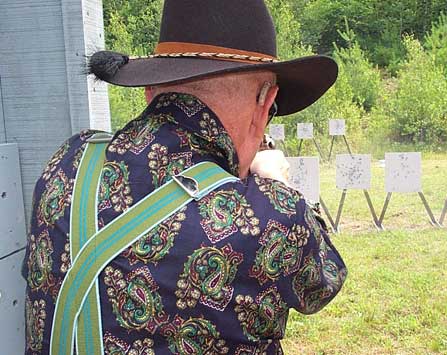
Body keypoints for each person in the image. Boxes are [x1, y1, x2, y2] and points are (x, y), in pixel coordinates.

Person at [22, 1, 347, 354]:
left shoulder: (69, 162)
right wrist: (279, 185)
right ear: (266, 103)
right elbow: (322, 284)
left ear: (151, 91)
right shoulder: (274, 214)